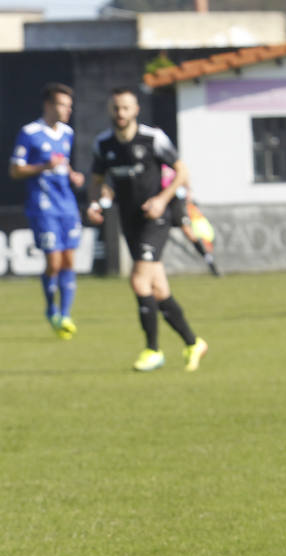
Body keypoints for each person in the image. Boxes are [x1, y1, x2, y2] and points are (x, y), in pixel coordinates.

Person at [86, 87, 207, 372]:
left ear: (136, 110)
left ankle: (152, 350)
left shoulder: (153, 139)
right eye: (116, 108)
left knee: (139, 282)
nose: (121, 114)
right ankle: (193, 342)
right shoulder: (103, 144)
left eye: (126, 108)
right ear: (110, 111)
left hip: (156, 219)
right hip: (129, 221)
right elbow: (98, 180)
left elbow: (182, 172)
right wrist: (95, 203)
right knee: (158, 289)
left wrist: (161, 200)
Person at [10, 82, 85, 339]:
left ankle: (65, 315)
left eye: (69, 105)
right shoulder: (30, 132)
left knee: (69, 260)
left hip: (67, 204)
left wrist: (73, 175)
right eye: (63, 105)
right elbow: (15, 170)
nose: (67, 110)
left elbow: (62, 164)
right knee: (53, 262)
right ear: (49, 106)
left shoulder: (67, 133)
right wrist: (43, 167)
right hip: (43, 206)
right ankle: (51, 307)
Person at [162, 166, 220, 277]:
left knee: (190, 234)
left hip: (175, 203)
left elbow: (183, 177)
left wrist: (187, 192)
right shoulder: (156, 166)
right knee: (159, 233)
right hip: (162, 203)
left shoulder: (173, 166)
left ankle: (210, 261)